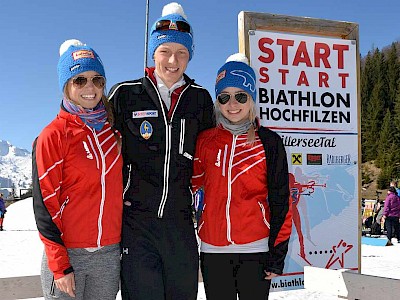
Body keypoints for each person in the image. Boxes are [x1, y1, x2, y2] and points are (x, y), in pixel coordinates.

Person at [108, 3, 215, 300]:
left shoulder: (200, 100)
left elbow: (215, 148)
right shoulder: (126, 94)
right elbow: (97, 145)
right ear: (153, 53)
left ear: (189, 56)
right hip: (136, 223)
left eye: (181, 53)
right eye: (165, 51)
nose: (172, 60)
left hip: (180, 223)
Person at [191, 53, 292, 300]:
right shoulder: (205, 141)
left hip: (255, 249)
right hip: (213, 249)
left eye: (241, 96)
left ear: (252, 99)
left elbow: (282, 200)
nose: (232, 104)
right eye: (224, 97)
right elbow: (195, 188)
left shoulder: (269, 142)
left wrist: (276, 254)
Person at [32, 39, 123, 299]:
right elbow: (45, 206)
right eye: (79, 80)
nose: (90, 87)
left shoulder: (113, 133)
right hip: (67, 255)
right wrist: (60, 265)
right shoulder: (53, 135)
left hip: (107, 254)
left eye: (97, 80)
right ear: (66, 85)